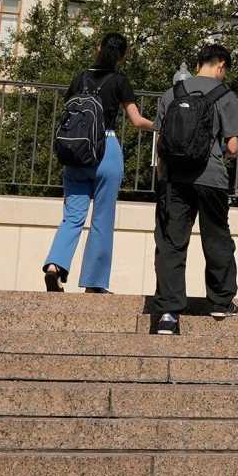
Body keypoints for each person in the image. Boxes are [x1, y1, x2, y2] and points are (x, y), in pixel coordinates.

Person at [42, 32, 155, 294]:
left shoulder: (80, 77)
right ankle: (94, 283)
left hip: (77, 152)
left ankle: (55, 266)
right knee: (102, 219)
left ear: (98, 47)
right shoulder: (119, 81)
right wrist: (160, 126)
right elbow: (137, 121)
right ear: (123, 56)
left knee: (72, 217)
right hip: (107, 149)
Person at [149, 41, 238, 336]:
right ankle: (220, 302)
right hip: (211, 178)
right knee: (216, 237)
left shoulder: (171, 93)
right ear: (221, 66)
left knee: (171, 242)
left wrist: (164, 176)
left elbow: (161, 142)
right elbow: (233, 146)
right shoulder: (226, 96)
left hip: (175, 179)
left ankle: (168, 314)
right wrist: (222, 155)